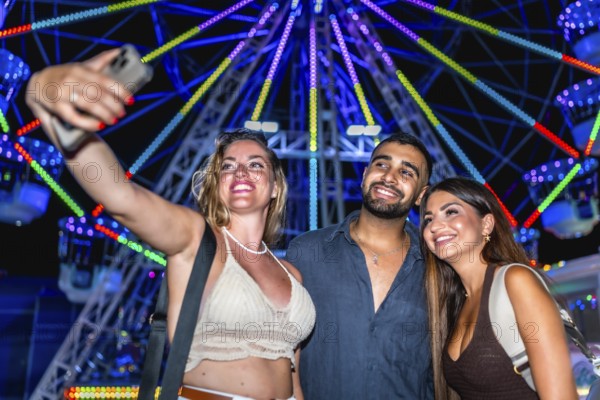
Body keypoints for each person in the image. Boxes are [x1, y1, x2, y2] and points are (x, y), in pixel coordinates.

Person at [26, 49, 316, 400]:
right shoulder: (196, 240)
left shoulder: (292, 275)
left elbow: (293, 376)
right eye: (227, 166)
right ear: (217, 185)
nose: (240, 171)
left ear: (274, 187)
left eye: (255, 165)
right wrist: (43, 90)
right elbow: (121, 197)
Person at [286, 133, 434, 399]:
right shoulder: (307, 252)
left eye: (406, 172)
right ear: (365, 173)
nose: (389, 177)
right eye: (382, 164)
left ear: (421, 195)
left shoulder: (437, 268)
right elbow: (282, 347)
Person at [419, 177, 578, 400]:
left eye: (451, 212)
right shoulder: (456, 303)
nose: (434, 226)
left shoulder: (516, 280)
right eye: (428, 219)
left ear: (486, 224)